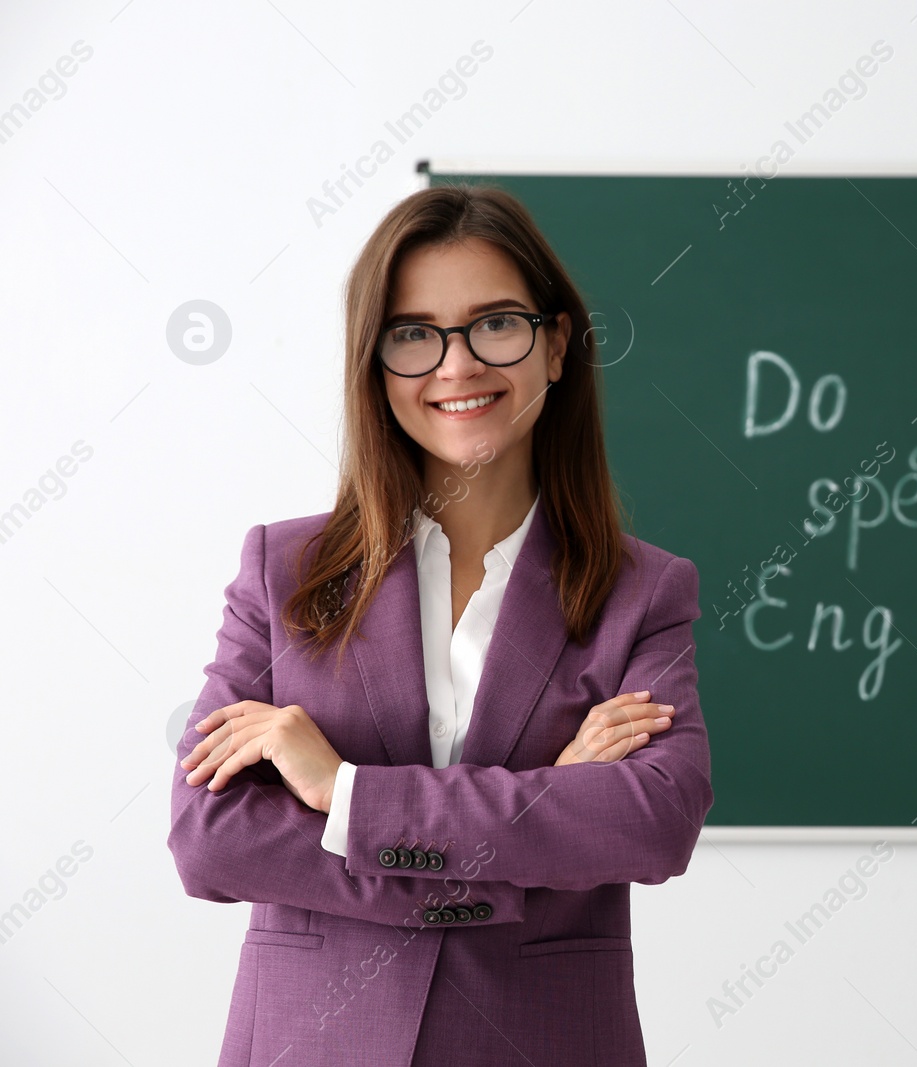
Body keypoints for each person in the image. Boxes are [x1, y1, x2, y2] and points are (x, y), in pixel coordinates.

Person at [167, 183, 712, 1066]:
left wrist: (345, 793)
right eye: (415, 334)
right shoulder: (283, 572)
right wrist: (544, 801)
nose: (456, 366)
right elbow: (209, 840)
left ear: (557, 344)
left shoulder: (641, 591)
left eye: (495, 323)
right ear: (376, 365)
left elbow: (651, 820)